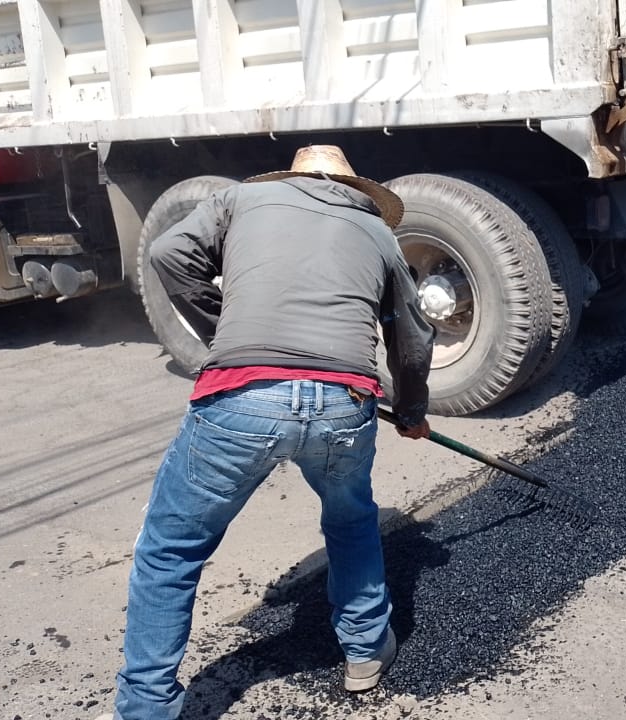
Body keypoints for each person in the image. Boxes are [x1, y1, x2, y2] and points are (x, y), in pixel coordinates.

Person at [100, 145, 435, 720]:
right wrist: (410, 410)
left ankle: (147, 706)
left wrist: (221, 320)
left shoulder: (241, 198)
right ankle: (365, 653)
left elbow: (166, 251)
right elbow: (413, 331)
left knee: (170, 552)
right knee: (352, 520)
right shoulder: (376, 231)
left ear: (293, 176)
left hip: (240, 399)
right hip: (344, 400)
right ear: (354, 188)